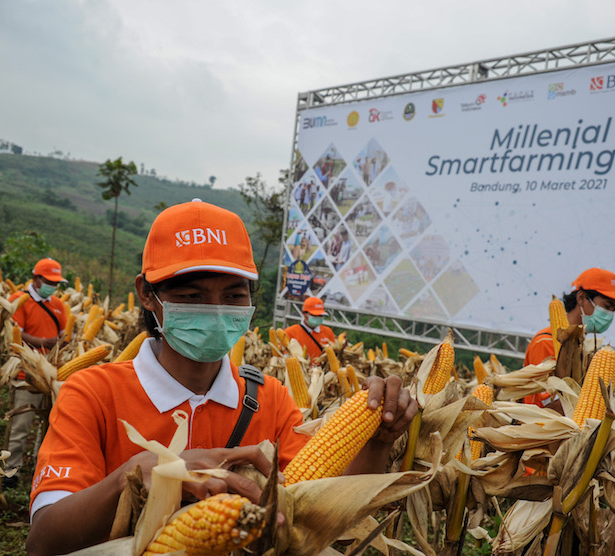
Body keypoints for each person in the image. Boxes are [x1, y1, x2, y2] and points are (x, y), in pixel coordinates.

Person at [26, 201, 416, 555]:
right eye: (193, 297)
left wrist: (377, 439)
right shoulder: (93, 393)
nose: (215, 312)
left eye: (233, 296)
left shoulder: (271, 399)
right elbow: (44, 540)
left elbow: (322, 512)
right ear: (147, 294)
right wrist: (134, 478)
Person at [523, 267, 615, 408]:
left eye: (613, 310)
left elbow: (591, 395)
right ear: (581, 298)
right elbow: (550, 407)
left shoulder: (584, 347)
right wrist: (607, 373)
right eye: (607, 306)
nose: (609, 315)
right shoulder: (546, 342)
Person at [4, 258, 69, 488]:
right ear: (36, 278)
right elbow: (16, 333)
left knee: (50, 425)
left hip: (52, 376)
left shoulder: (60, 306)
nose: (53, 286)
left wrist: (59, 346)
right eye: (49, 281)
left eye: (56, 282)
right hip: (26, 374)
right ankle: (11, 472)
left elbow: (64, 336)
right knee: (21, 425)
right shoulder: (18, 301)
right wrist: (44, 342)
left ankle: (40, 468)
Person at [283, 296, 337, 361]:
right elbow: (284, 355)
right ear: (304, 314)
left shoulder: (328, 332)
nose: (318, 317)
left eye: (320, 315)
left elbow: (334, 355)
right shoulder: (290, 332)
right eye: (314, 315)